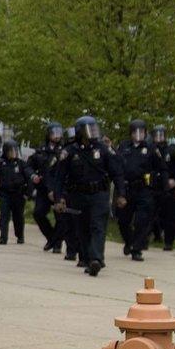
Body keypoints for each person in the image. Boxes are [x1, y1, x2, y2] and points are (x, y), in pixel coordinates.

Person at [50, 116, 121, 278]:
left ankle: (96, 258)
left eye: (94, 128)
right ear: (80, 132)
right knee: (82, 229)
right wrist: (58, 198)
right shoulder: (70, 152)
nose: (93, 132)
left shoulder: (103, 149)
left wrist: (121, 194)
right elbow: (60, 177)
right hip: (78, 196)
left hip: (99, 194)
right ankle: (88, 259)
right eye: (89, 129)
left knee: (98, 226)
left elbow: (116, 172)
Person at [114, 120, 164, 262]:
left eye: (141, 132)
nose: (138, 135)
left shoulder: (151, 148)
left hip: (143, 188)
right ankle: (129, 241)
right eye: (135, 132)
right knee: (123, 220)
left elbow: (160, 168)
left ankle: (137, 249)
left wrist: (158, 184)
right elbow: (117, 165)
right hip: (126, 188)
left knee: (142, 220)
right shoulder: (123, 146)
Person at [28, 123, 65, 255]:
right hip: (43, 188)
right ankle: (52, 238)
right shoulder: (41, 150)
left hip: (57, 188)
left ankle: (57, 244)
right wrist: (33, 176)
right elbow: (29, 165)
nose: (56, 136)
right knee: (38, 213)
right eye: (53, 133)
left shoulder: (63, 150)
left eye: (58, 133)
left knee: (60, 217)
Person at [150, 124, 175, 254]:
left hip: (168, 188)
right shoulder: (149, 149)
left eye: (161, 135)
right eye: (156, 135)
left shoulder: (173, 150)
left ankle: (168, 242)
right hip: (153, 187)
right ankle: (149, 237)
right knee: (150, 215)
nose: (159, 138)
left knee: (170, 216)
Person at [0, 140, 29, 246]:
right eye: (11, 151)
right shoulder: (1, 163)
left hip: (18, 194)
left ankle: (20, 235)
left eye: (15, 150)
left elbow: (28, 179)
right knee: (4, 216)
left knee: (18, 216)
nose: (13, 153)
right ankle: (3, 237)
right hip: (4, 194)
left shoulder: (21, 164)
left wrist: (27, 193)